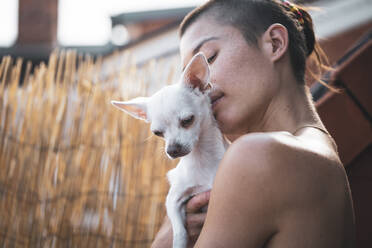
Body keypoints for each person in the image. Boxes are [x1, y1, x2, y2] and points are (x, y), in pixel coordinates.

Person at [151, 0, 355, 247]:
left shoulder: (256, 155)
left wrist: (166, 236)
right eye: (190, 77)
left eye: (209, 58)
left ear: (275, 43)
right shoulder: (324, 155)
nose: (198, 87)